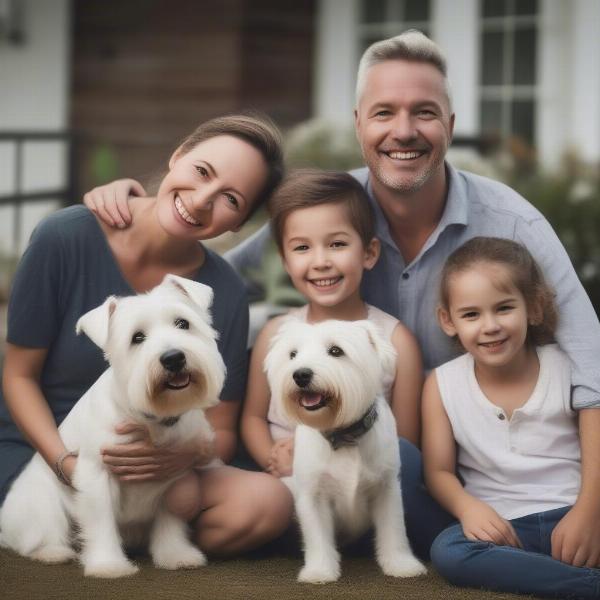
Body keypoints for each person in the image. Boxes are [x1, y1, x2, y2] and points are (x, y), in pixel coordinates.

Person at [83, 30, 600, 563]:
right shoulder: (331, 207)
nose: (403, 131)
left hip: (457, 464)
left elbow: (592, 367)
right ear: (359, 124)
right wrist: (143, 210)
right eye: (383, 113)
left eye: (423, 112)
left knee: (400, 466)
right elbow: (214, 280)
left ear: (449, 125)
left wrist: (591, 505)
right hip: (311, 449)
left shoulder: (513, 221)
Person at [0, 113, 294, 557]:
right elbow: (17, 377)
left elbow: (220, 428)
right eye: (201, 172)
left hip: (164, 467)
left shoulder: (224, 292)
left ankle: (144, 536)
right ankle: (111, 533)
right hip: (45, 454)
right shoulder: (64, 238)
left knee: (268, 503)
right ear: (178, 156)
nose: (200, 201)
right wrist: (67, 464)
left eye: (230, 199)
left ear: (239, 223)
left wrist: (184, 457)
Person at [423, 237, 599, 599]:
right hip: (501, 526)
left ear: (533, 308)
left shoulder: (565, 368)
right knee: (448, 552)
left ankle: (554, 570)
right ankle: (586, 586)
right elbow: (438, 471)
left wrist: (586, 515)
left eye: (504, 308)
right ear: (448, 320)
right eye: (471, 314)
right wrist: (468, 509)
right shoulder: (441, 384)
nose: (489, 326)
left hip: (574, 514)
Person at [241, 169, 423, 482]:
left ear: (368, 253)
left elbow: (404, 445)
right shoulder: (275, 335)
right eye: (302, 248)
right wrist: (273, 459)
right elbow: (253, 419)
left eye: (337, 244)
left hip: (363, 486)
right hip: (285, 484)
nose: (320, 261)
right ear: (286, 262)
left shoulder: (395, 341)